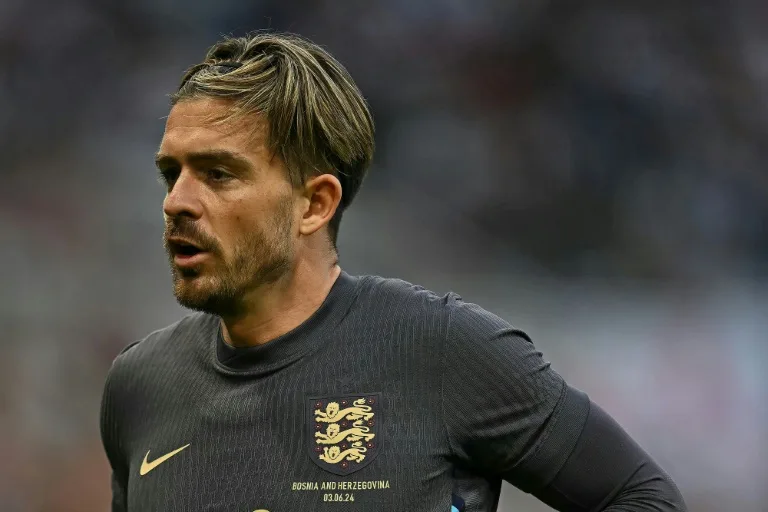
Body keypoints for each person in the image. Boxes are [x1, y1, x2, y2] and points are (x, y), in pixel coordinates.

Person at [100, 32, 687, 512]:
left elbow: (644, 500)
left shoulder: (442, 349)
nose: (176, 201)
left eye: (218, 174)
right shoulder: (138, 385)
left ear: (314, 204)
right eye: (171, 173)